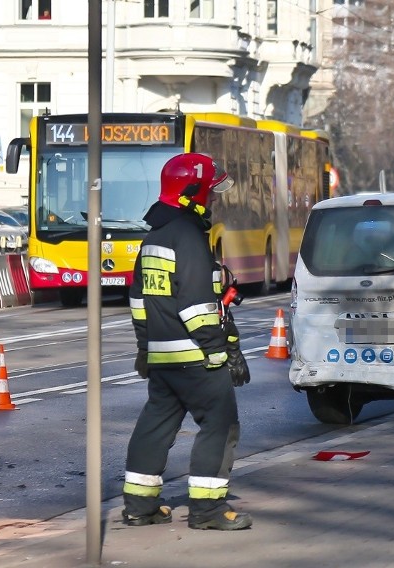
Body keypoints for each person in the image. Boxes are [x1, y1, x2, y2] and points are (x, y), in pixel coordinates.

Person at [122, 152, 253, 531]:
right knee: (220, 423)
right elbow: (196, 306)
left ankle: (139, 507)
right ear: (192, 193)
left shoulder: (154, 238)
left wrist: (146, 349)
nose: (213, 199)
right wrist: (220, 351)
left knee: (156, 425)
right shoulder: (189, 237)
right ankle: (208, 511)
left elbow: (138, 302)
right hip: (196, 357)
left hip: (163, 358)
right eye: (210, 192)